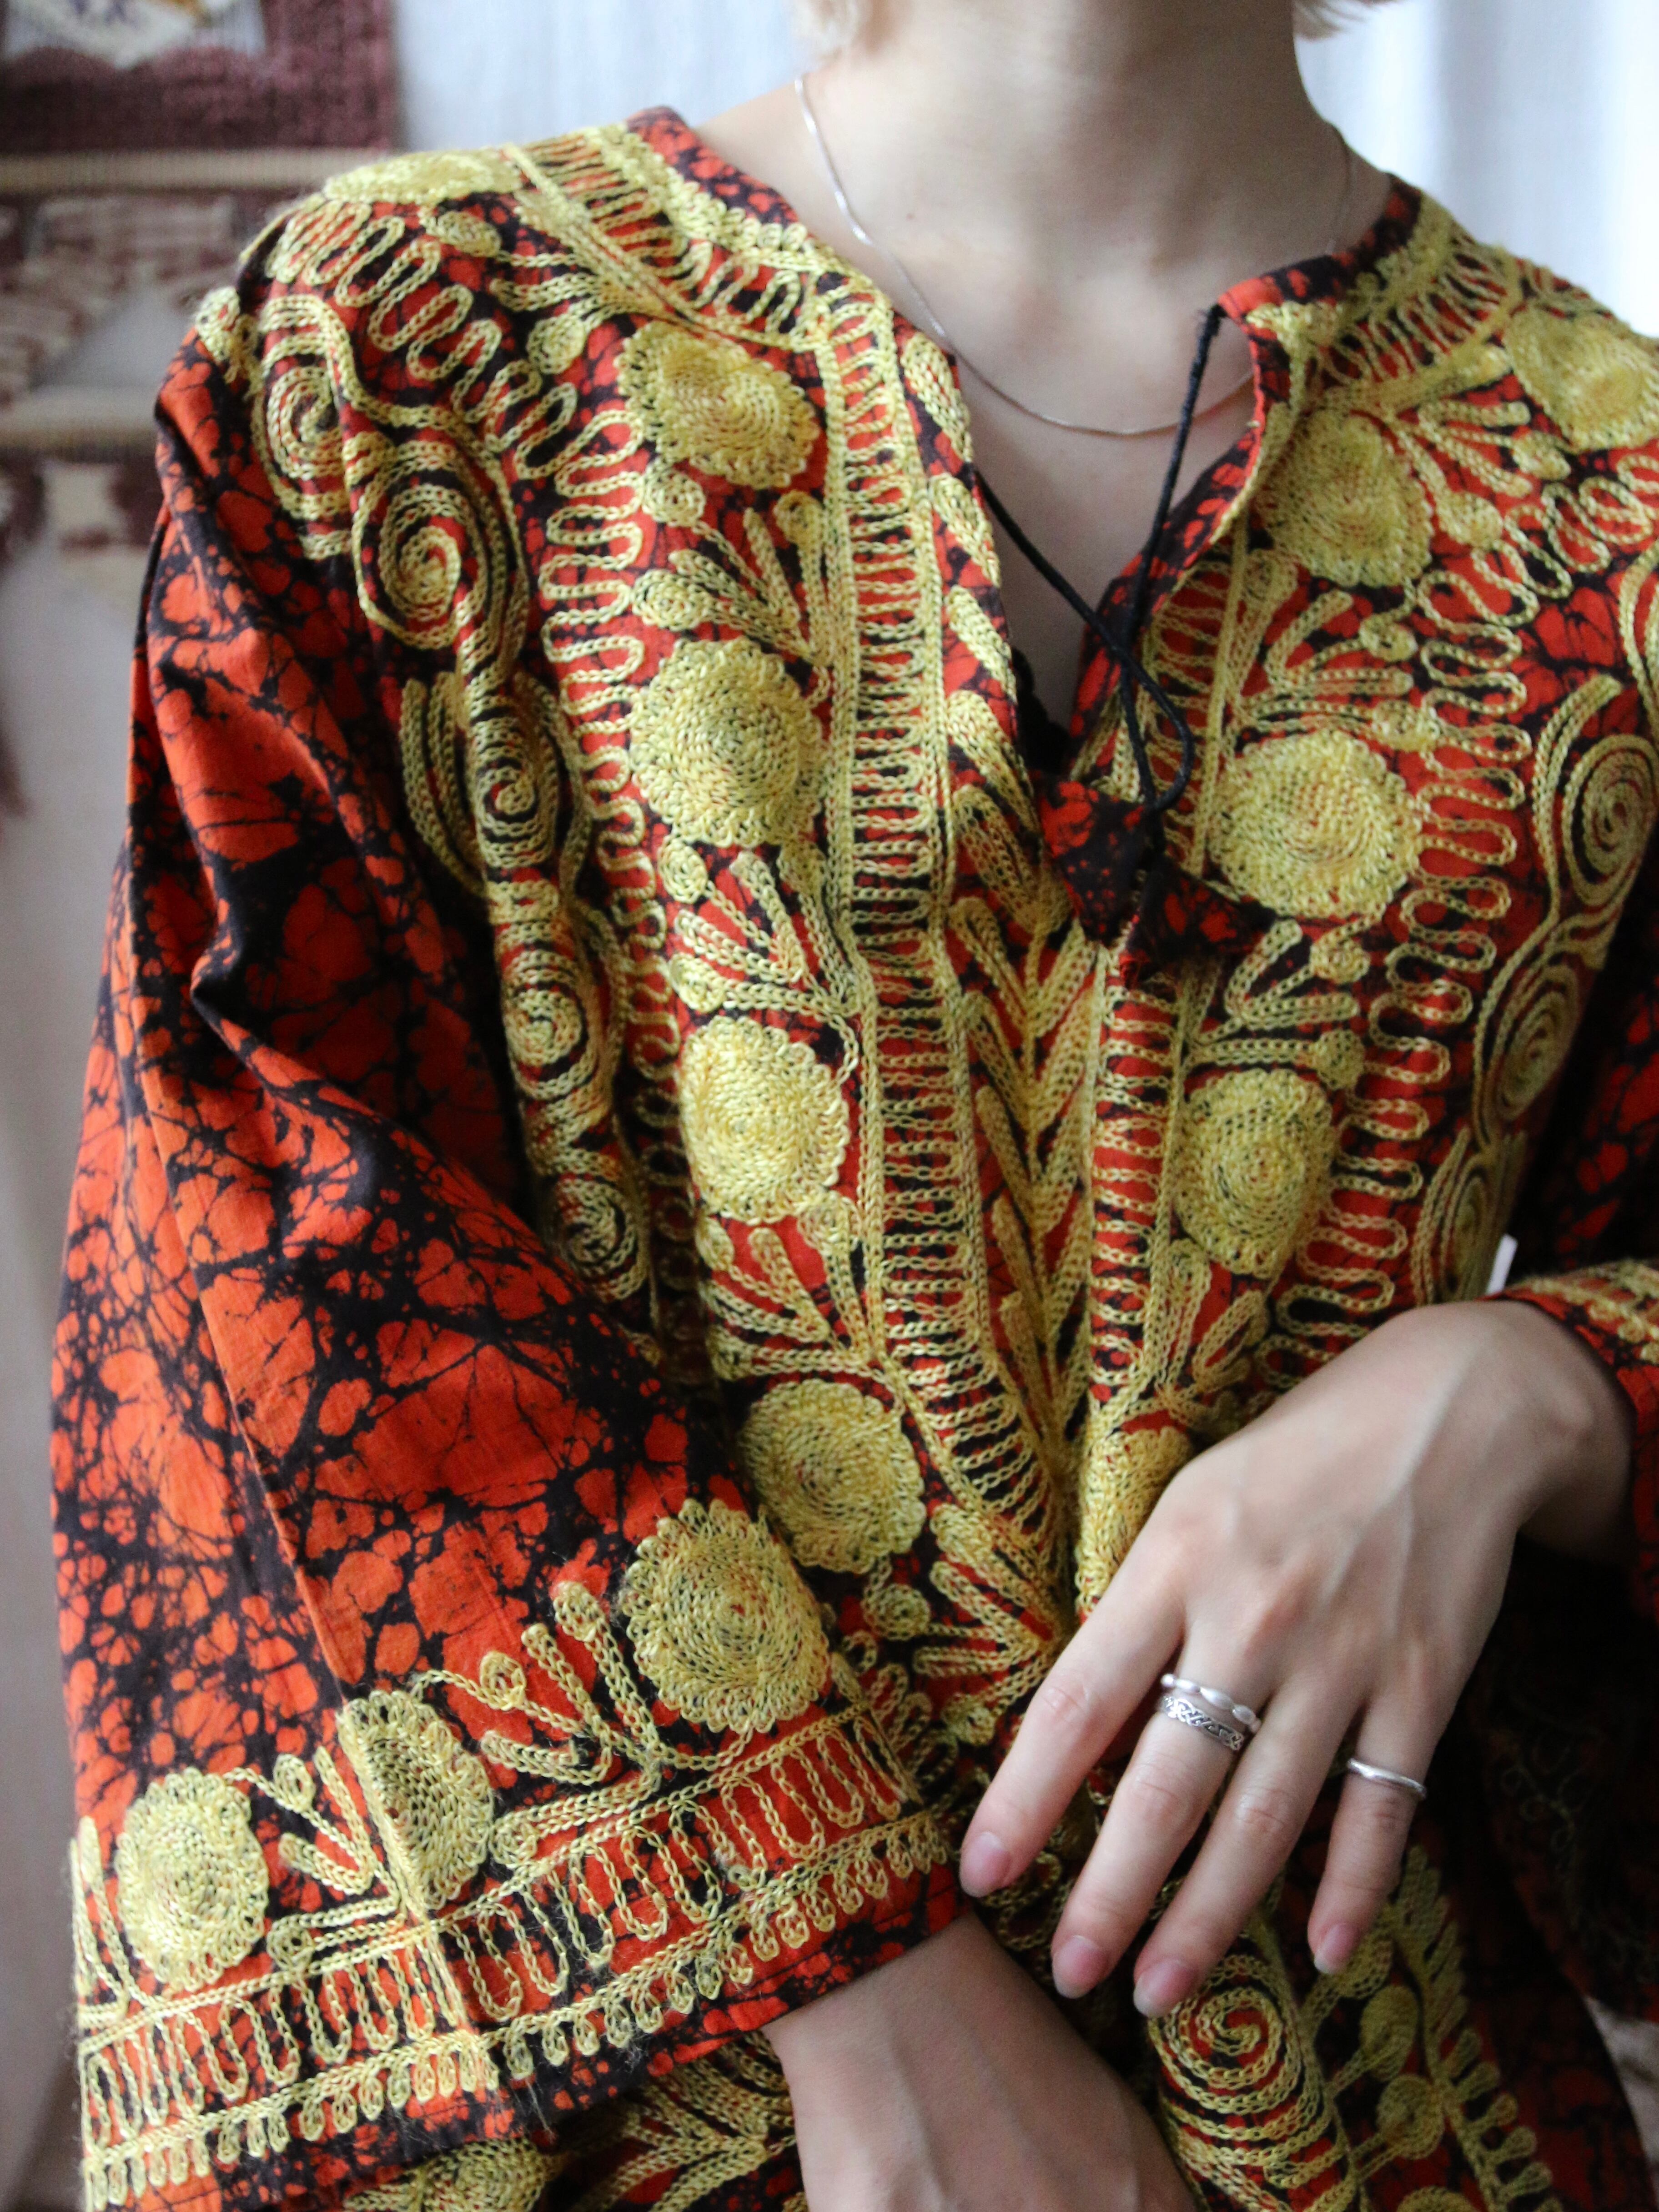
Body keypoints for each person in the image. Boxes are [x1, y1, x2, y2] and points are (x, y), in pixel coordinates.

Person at [50, 0, 1659, 2205]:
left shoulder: (1605, 475)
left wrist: (1530, 1388)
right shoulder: (406, 356)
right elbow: (252, 1246)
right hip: (605, 2110)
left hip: (1361, 2116)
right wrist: (853, 1976)